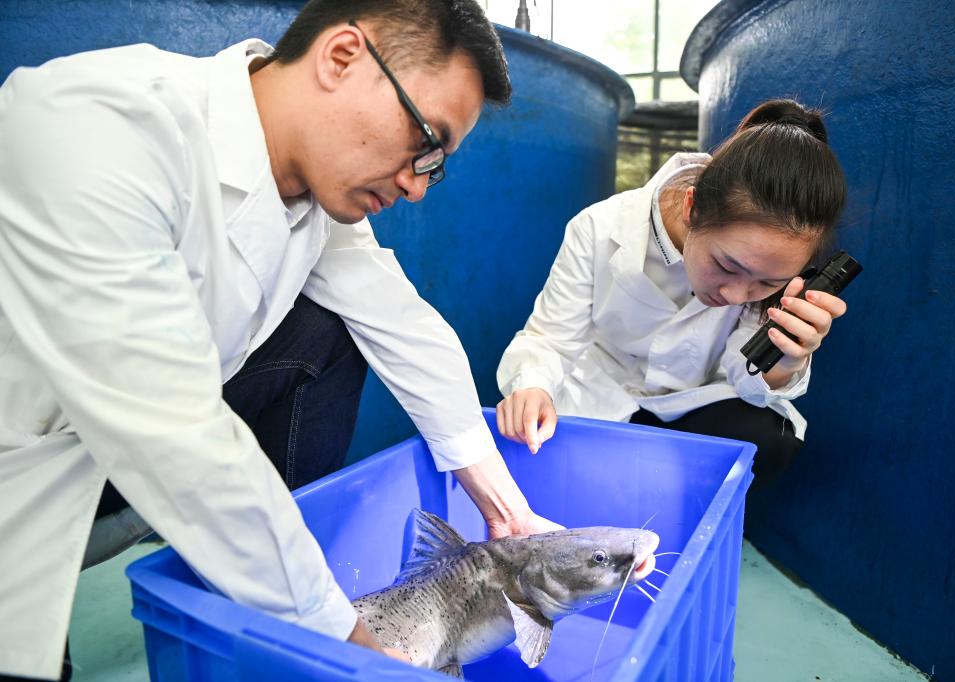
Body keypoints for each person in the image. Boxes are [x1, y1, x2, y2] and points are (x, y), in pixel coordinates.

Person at [0, 1, 559, 679]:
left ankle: (262, 593)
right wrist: (351, 648)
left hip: (118, 472)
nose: (416, 185)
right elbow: (171, 427)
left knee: (331, 328)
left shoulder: (315, 198)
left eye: (434, 164)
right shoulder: (94, 124)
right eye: (424, 141)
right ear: (342, 57)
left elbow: (405, 328)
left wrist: (508, 514)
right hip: (26, 484)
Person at [495, 99, 850, 487]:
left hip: (691, 407)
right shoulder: (599, 227)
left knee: (768, 439)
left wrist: (785, 358)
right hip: (599, 398)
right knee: (536, 442)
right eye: (727, 266)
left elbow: (744, 374)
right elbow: (551, 339)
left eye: (767, 282)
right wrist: (532, 387)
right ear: (692, 207)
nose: (737, 294)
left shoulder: (766, 278)